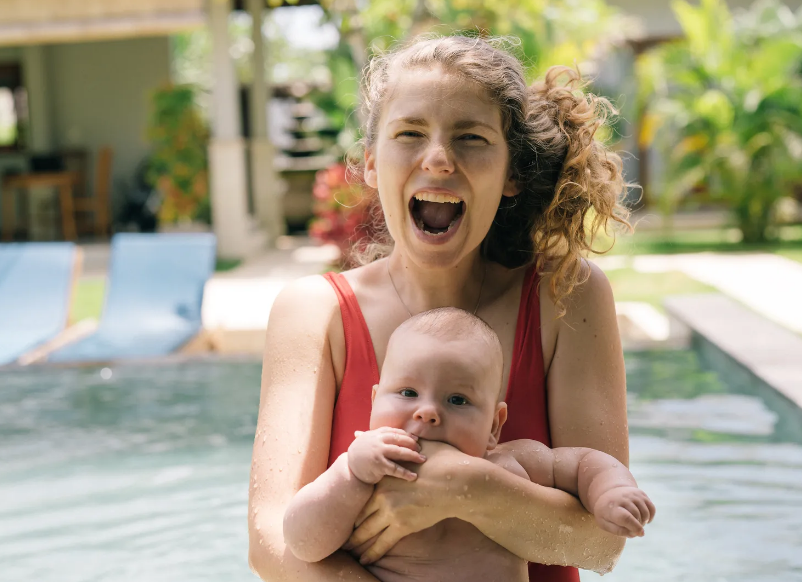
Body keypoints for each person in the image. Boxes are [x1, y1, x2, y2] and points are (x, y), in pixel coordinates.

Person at [249, 33, 632, 582]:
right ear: (372, 165)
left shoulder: (564, 295)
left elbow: (602, 547)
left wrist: (463, 488)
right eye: (409, 133)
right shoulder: (315, 313)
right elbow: (269, 543)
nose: (438, 158)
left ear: (511, 174)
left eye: (471, 138)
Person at [282, 308, 655, 582]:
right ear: (375, 400)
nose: (428, 412)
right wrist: (350, 472)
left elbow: (586, 463)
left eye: (457, 400)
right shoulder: (366, 471)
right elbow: (302, 543)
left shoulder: (510, 462)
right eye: (408, 392)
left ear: (494, 425)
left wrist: (612, 491)